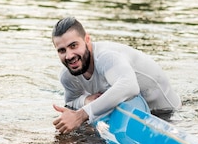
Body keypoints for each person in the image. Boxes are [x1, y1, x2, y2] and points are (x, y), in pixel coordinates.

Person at [51, 17, 181, 134]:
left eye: (73, 45)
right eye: (62, 50)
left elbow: (129, 87)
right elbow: (71, 101)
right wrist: (86, 100)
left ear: (87, 40)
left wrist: (81, 115)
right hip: (131, 112)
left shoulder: (107, 57)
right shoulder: (67, 75)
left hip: (166, 115)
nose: (69, 56)